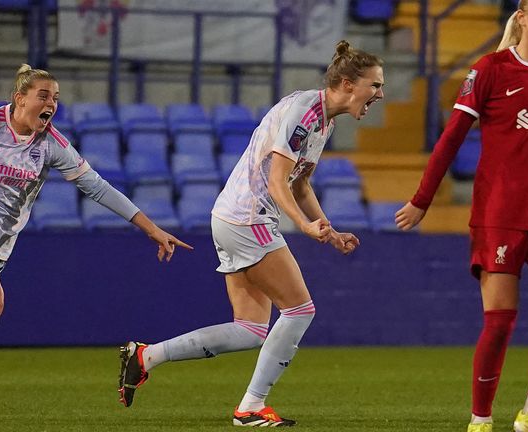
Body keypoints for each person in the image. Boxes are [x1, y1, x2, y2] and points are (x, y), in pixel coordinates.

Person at [118, 40, 384, 427]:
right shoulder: (303, 113)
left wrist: (328, 230)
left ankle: (147, 356)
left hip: (235, 217)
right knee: (299, 310)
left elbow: (300, 184)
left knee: (251, 328)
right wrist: (305, 226)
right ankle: (251, 407)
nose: (379, 94)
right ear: (347, 83)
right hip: (249, 218)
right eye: (374, 85)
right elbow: (278, 183)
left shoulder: (322, 119)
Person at [0, 64, 191, 423]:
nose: (51, 103)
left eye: (55, 98)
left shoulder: (51, 143)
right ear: (19, 98)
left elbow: (96, 186)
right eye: (43, 96)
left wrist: (150, 227)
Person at [395, 1, 528, 431]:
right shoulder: (489, 69)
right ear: (522, 16)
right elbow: (451, 139)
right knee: (502, 322)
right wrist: (422, 199)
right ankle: (481, 419)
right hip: (499, 214)